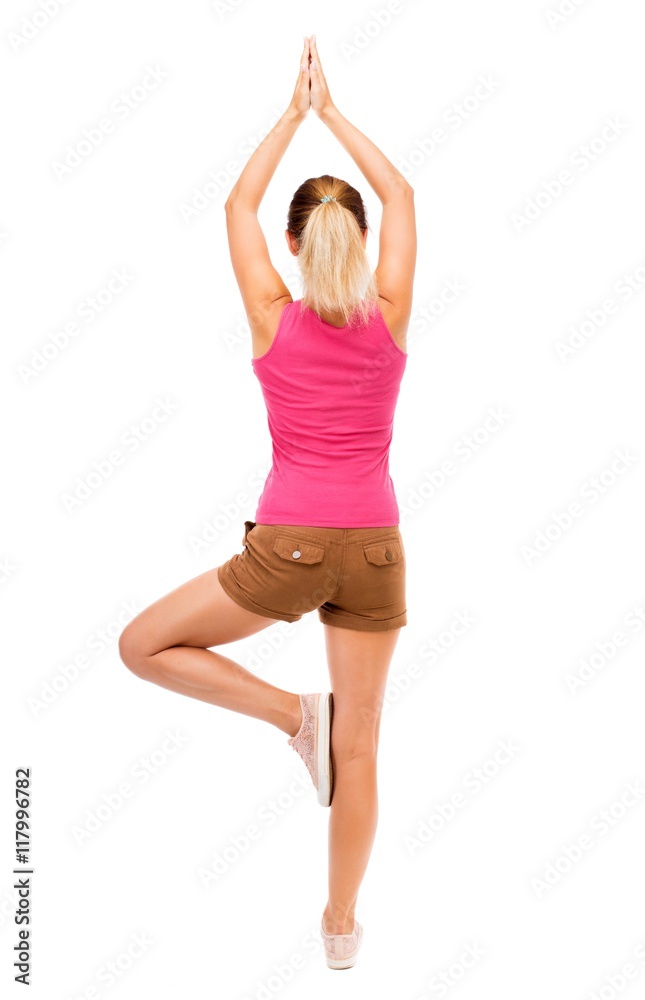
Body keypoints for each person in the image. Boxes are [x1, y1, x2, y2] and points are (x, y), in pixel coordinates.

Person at [118, 34, 416, 972]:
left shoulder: (267, 312)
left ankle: (294, 717)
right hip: (374, 548)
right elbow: (404, 195)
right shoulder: (391, 308)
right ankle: (338, 928)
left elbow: (237, 202)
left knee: (143, 645)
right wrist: (334, 116)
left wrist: (292, 115)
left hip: (285, 546)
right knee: (359, 751)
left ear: (292, 244)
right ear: (358, 239)